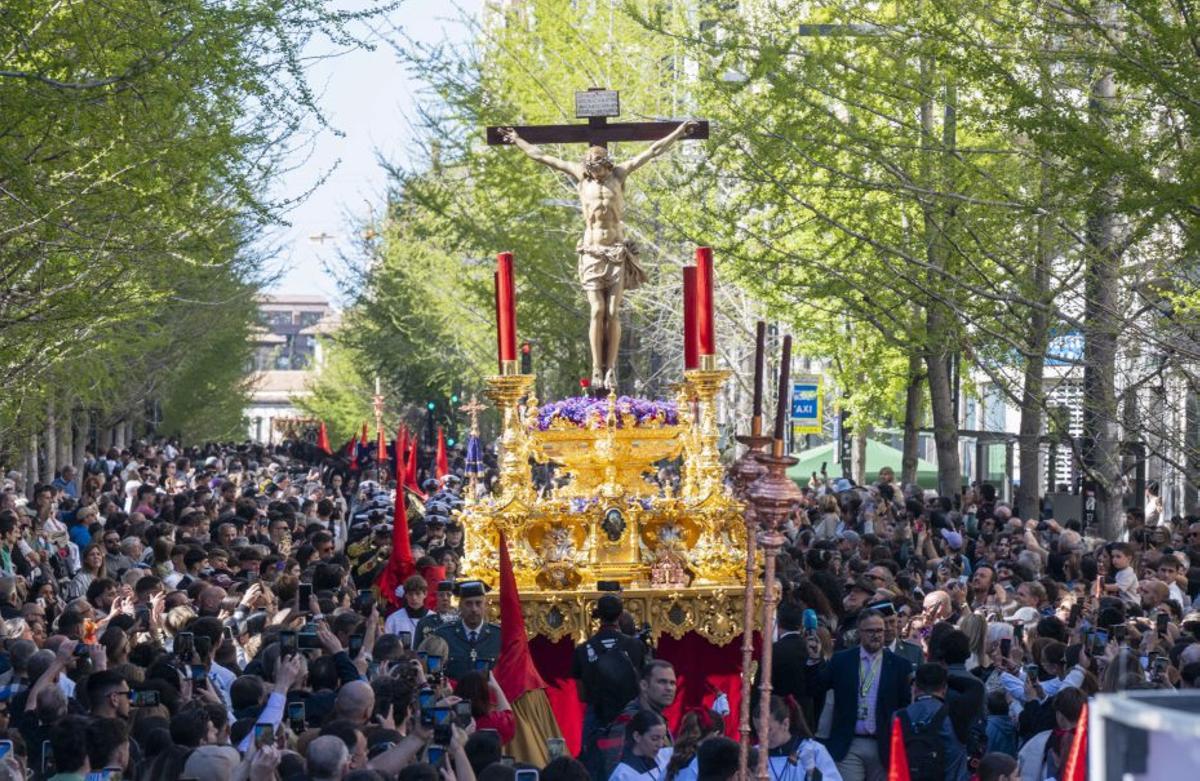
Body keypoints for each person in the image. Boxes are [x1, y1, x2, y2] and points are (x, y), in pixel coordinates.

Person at [804, 609, 912, 781]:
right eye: (870, 631)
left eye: (879, 631)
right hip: (850, 743)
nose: (875, 635)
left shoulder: (899, 666)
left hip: (883, 743)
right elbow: (815, 688)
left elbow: (905, 705)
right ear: (859, 632)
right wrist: (814, 660)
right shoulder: (842, 661)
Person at [896, 664, 967, 781]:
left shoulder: (898, 716)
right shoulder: (954, 715)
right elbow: (976, 688)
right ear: (944, 688)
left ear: (915, 687)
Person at [757, 695, 841, 781]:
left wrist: (813, 773)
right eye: (758, 731)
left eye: (768, 730)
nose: (761, 737)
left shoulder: (813, 750)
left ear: (785, 724)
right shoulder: (754, 754)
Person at [433, 580, 499, 681]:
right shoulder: (444, 635)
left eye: (478, 603)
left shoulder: (498, 636)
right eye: (468, 604)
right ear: (460, 606)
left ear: (485, 606)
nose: (474, 609)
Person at [609, 710, 669, 781]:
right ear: (637, 736)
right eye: (654, 739)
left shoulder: (665, 756)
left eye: (663, 738)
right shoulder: (623, 775)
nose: (660, 744)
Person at [384, 575, 430, 643]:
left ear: (425, 594)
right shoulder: (393, 619)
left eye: (418, 594)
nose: (414, 598)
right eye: (410, 594)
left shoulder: (433, 618)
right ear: (405, 595)